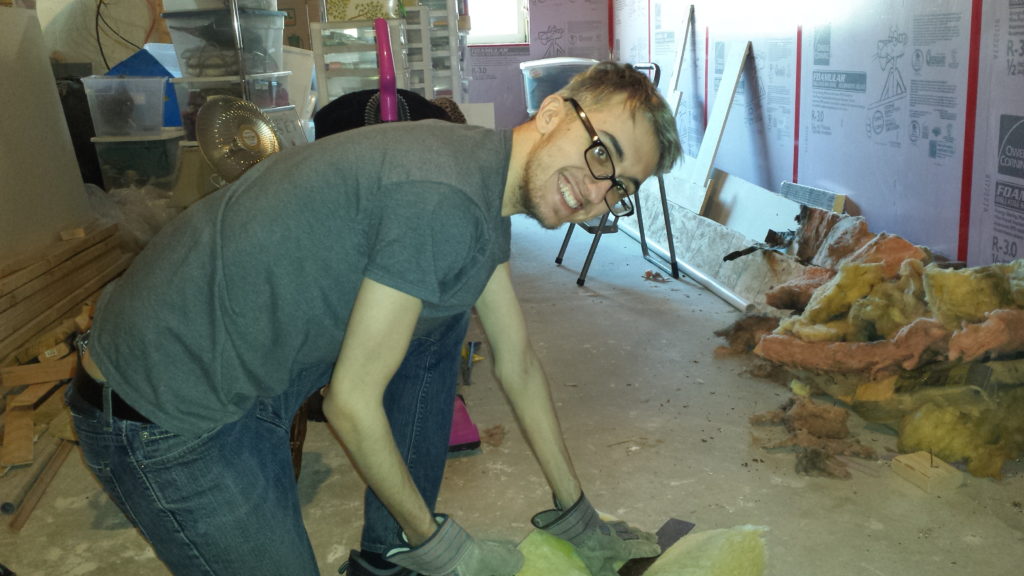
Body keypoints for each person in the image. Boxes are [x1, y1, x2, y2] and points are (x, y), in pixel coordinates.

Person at [67, 61, 682, 576]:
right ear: (551, 113)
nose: (598, 189)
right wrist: (444, 548)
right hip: (161, 413)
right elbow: (352, 404)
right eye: (603, 152)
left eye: (621, 188)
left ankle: (386, 557)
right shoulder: (441, 197)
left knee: (440, 312)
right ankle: (410, 542)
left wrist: (577, 514)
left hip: (240, 368)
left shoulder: (482, 179)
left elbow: (516, 361)